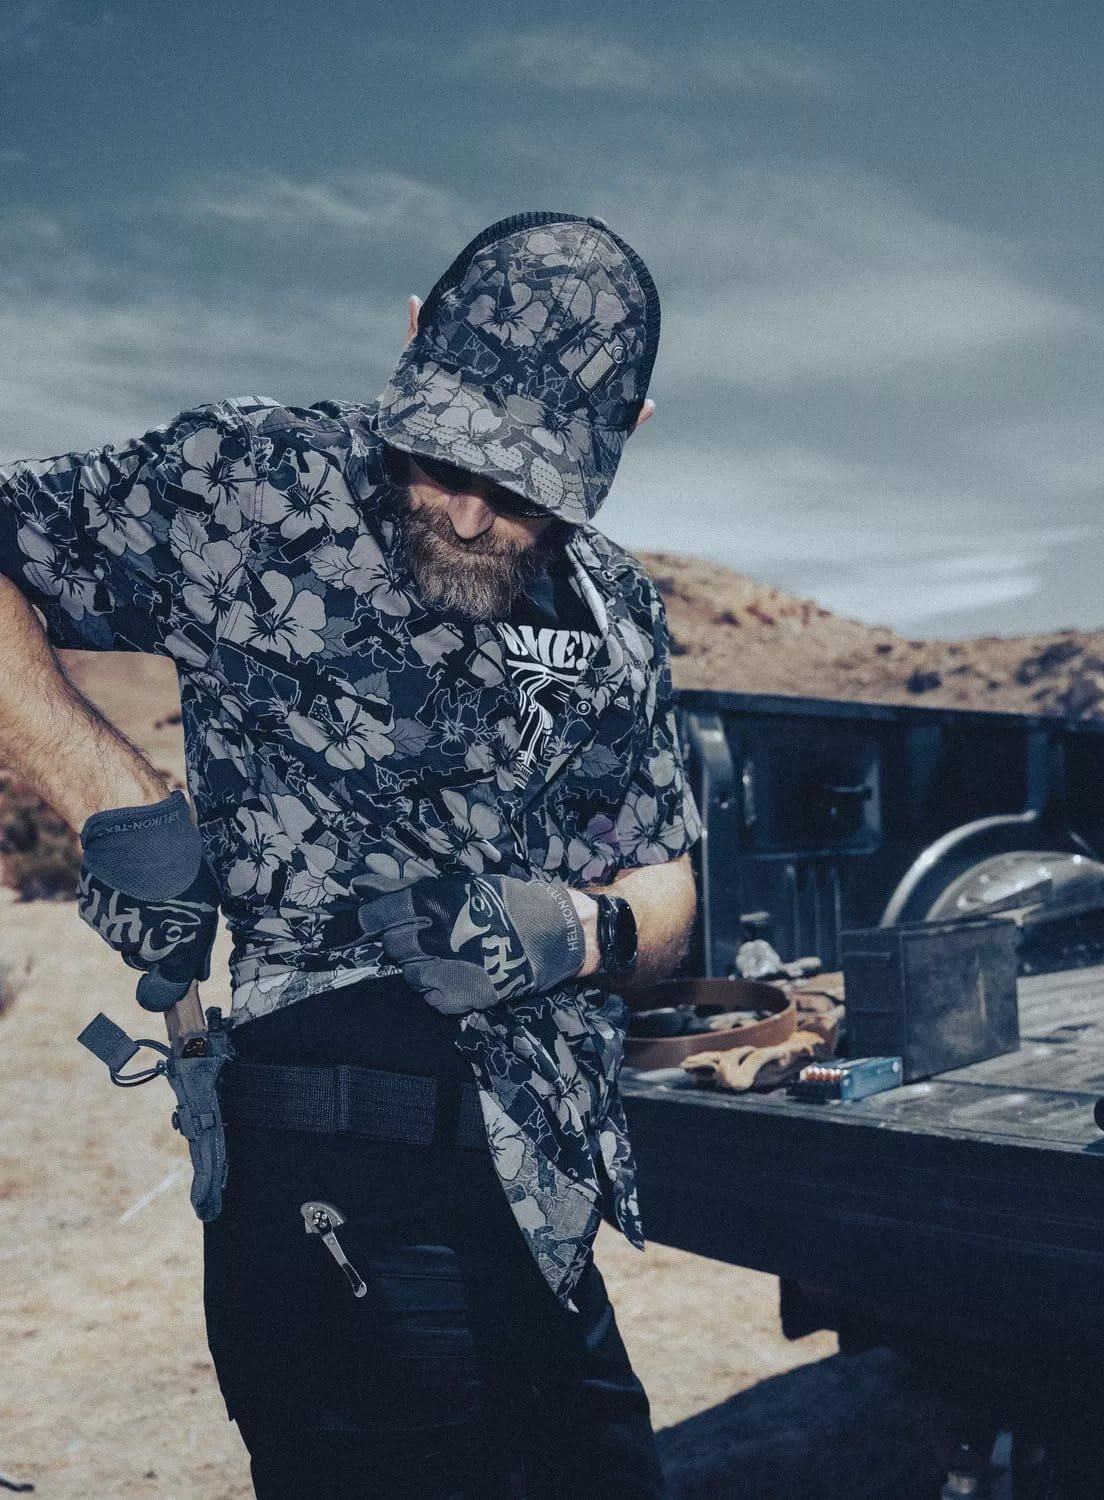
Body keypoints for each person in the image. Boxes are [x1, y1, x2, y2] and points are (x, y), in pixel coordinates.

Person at [0, 211, 701, 1497]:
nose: (473, 513)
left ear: (628, 432)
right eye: (447, 454)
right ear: (413, 337)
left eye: (526, 483)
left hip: (543, 1212)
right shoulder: (250, 483)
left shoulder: (617, 610)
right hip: (326, 1197)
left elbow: (671, 884)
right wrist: (113, 799)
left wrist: (583, 929)